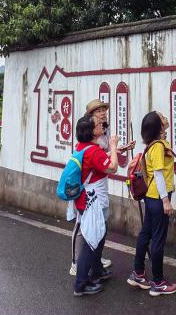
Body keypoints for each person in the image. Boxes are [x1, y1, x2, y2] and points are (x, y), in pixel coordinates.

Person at [127, 111, 176, 297]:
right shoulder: (157, 147)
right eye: (162, 118)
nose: (166, 118)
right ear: (158, 126)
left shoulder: (156, 144)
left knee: (146, 234)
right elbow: (158, 174)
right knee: (158, 239)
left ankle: (138, 273)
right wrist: (166, 201)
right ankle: (158, 283)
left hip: (152, 196)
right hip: (158, 198)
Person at [73, 114, 119, 296]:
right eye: (99, 124)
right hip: (93, 201)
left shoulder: (82, 147)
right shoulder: (94, 151)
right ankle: (80, 284)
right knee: (91, 241)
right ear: (92, 132)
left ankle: (96, 271)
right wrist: (113, 146)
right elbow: (112, 167)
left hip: (86, 199)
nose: (102, 125)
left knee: (98, 235)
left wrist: (114, 150)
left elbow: (98, 163)